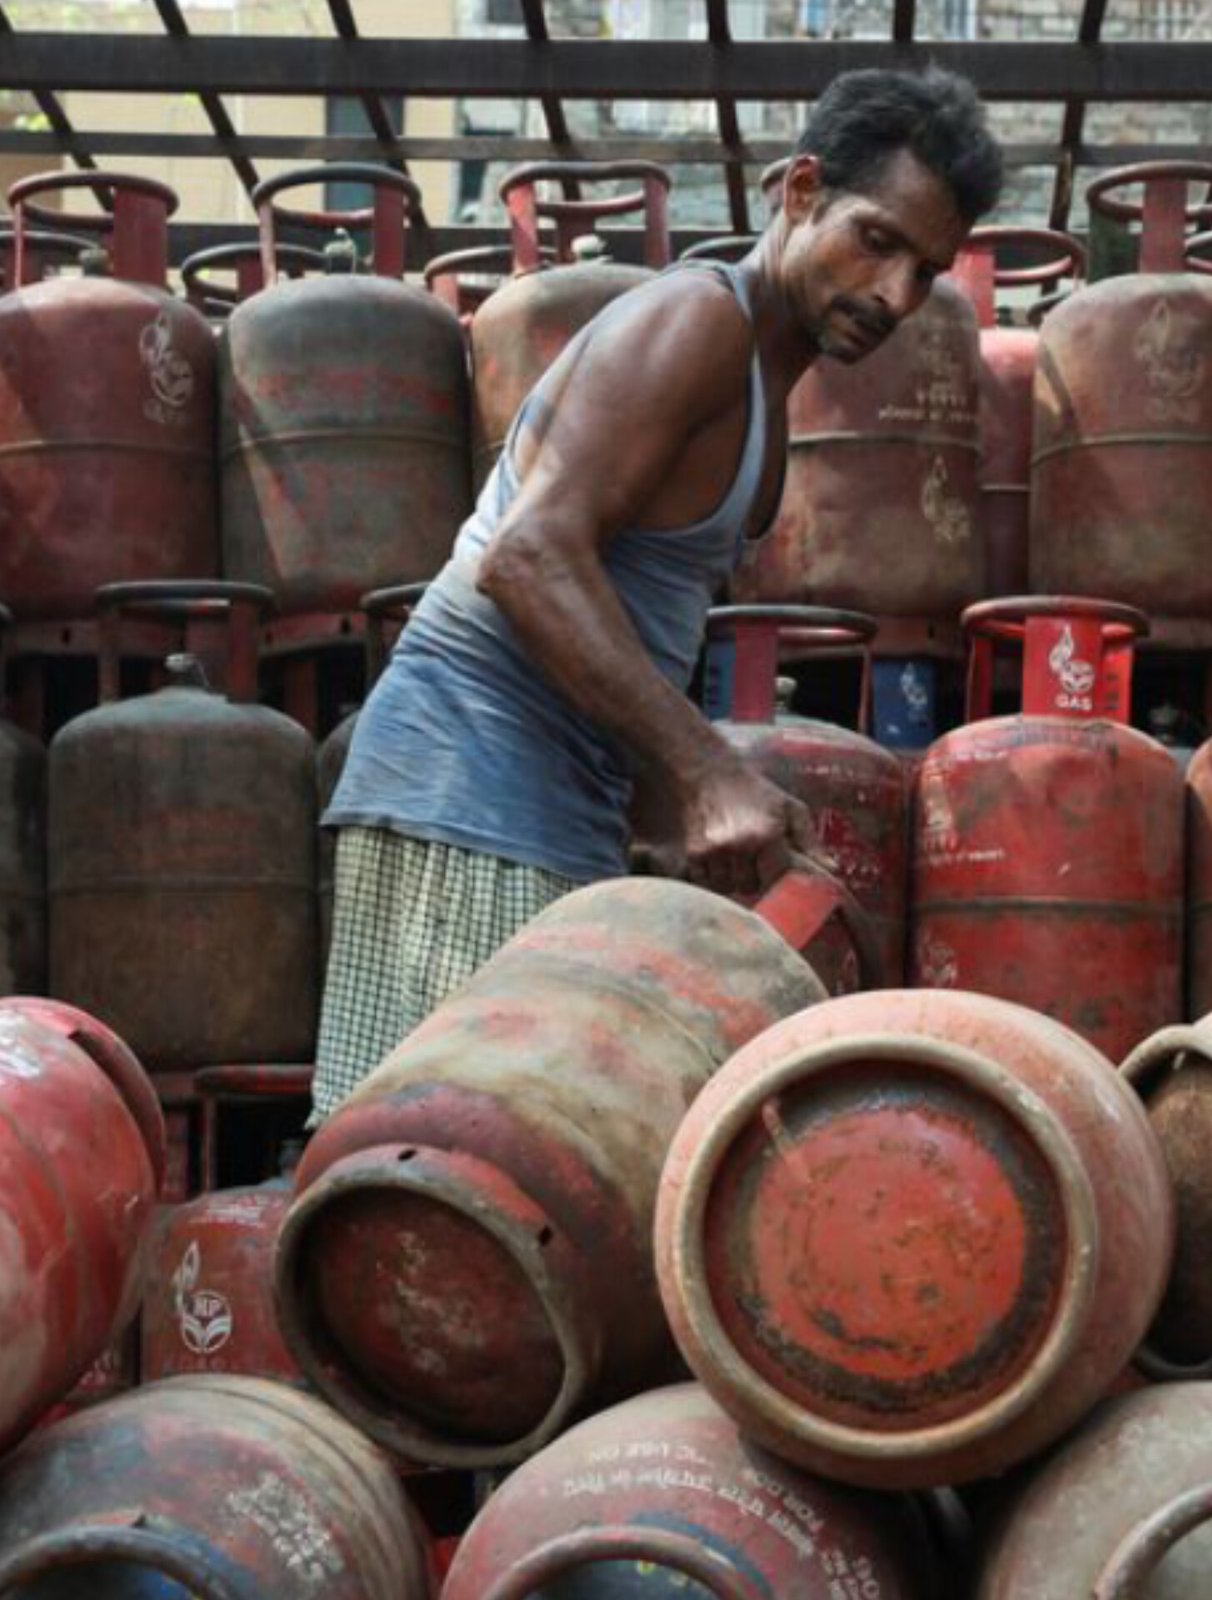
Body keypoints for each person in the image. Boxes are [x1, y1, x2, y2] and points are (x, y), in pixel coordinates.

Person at [312, 66, 1004, 1124]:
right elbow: (527, 557)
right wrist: (705, 773)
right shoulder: (699, 324)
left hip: (554, 811)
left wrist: (667, 818)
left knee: (536, 1172)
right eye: (877, 241)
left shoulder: (763, 384)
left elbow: (633, 621)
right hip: (464, 793)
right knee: (434, 1168)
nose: (896, 295)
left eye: (926, 271)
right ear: (801, 191)